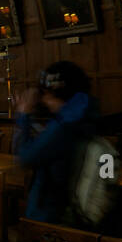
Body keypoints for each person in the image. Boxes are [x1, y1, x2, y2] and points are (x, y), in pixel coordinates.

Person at [13, 61, 97, 224]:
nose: (43, 100)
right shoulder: (85, 115)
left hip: (53, 217)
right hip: (76, 213)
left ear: (55, 93)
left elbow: (25, 157)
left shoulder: (65, 126)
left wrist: (23, 115)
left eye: (45, 94)